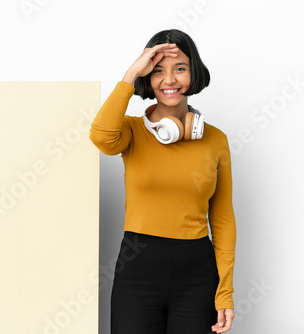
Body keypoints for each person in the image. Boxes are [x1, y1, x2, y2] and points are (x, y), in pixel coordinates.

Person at [89, 29, 236, 334]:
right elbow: (101, 137)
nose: (169, 80)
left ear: (193, 73)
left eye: (180, 68)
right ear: (148, 77)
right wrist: (131, 74)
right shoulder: (130, 131)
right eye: (157, 71)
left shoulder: (215, 140)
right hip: (137, 266)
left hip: (197, 272)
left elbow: (222, 219)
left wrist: (225, 292)